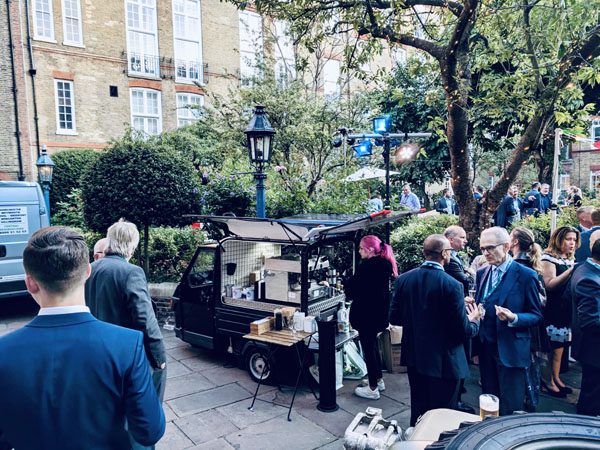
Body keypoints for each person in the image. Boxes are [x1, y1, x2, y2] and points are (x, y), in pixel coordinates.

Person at [0, 227, 165, 449]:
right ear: (87, 272)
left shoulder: (4, 352)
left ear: (30, 282)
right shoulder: (128, 346)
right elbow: (149, 432)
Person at [85, 219, 167, 449]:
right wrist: (159, 358)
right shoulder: (131, 272)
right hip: (126, 358)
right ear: (131, 245)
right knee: (142, 415)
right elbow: (145, 320)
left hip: (97, 356)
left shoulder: (91, 269)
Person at [390, 234, 480, 426]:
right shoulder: (452, 285)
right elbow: (462, 332)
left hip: (415, 357)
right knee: (442, 416)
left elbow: (395, 317)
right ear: (445, 254)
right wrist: (474, 320)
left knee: (419, 409)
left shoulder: (404, 279)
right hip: (444, 363)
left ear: (425, 253)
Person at [476, 227, 543, 416]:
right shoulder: (482, 272)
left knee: (511, 407)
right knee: (488, 402)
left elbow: (536, 315)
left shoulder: (526, 275)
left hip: (512, 350)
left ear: (506, 246)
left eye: (490, 248)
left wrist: (514, 317)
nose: (486, 253)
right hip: (486, 348)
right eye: (482, 249)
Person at [345, 235, 398, 400]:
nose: (359, 251)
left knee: (369, 349)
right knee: (373, 347)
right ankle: (378, 380)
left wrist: (346, 281)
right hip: (379, 314)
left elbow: (352, 291)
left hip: (366, 315)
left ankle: (372, 388)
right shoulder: (385, 265)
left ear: (369, 250)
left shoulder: (367, 267)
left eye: (361, 248)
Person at [508, 226, 546, 411]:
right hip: (529, 326)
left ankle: (527, 404)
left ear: (514, 242)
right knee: (531, 368)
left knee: (525, 370)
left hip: (522, 325)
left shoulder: (520, 269)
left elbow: (538, 304)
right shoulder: (533, 268)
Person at [540, 226, 579, 397]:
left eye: (574, 240)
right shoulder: (548, 258)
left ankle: (556, 377)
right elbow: (550, 285)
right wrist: (572, 271)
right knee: (551, 347)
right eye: (568, 239)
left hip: (565, 309)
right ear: (558, 239)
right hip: (552, 309)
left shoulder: (570, 258)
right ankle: (547, 380)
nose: (572, 243)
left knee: (560, 347)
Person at [570, 231, 600, 416]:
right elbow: (590, 321)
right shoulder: (589, 279)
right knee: (592, 398)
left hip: (591, 349)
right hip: (594, 350)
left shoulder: (583, 267)